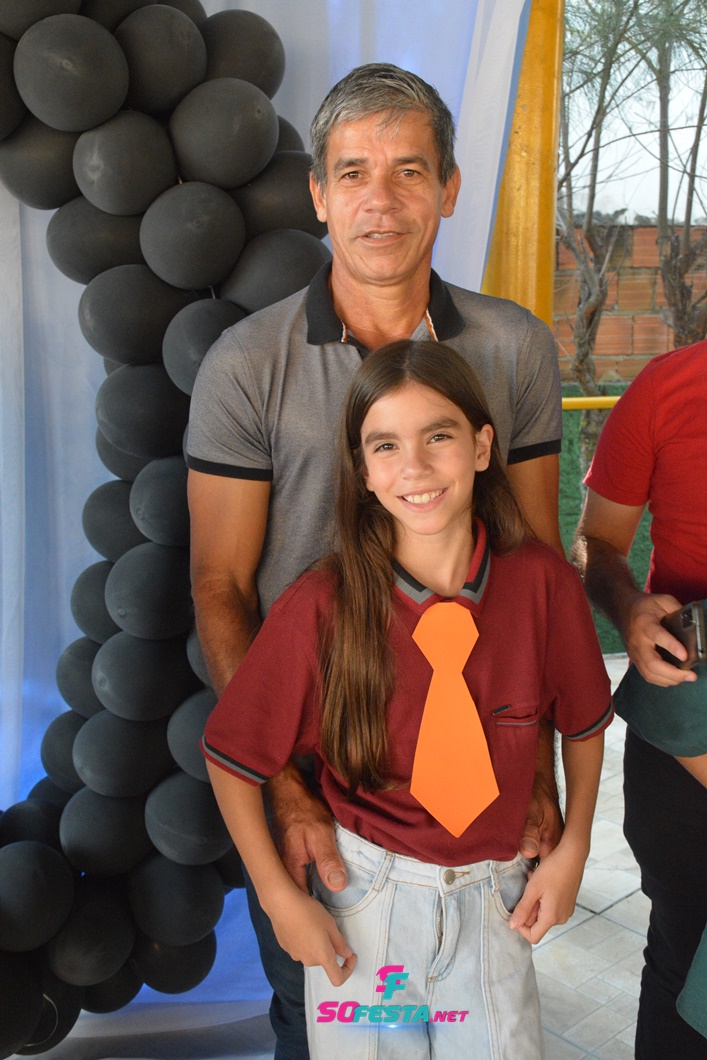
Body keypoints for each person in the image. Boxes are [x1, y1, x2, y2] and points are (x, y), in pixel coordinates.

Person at [186, 63, 565, 1058]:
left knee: (477, 1019)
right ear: (317, 194)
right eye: (352, 172)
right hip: (320, 768)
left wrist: (537, 770)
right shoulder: (246, 363)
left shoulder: (513, 348)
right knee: (337, 1029)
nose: (380, 201)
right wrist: (286, 789)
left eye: (409, 171)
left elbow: (531, 568)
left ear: (449, 188)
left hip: (475, 754)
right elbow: (220, 585)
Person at [202, 341, 612, 1060]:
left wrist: (573, 846)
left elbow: (582, 725)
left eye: (438, 436)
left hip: (496, 904)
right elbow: (230, 756)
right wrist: (277, 896)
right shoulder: (323, 604)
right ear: (363, 473)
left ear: (481, 447)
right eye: (385, 445)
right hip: (367, 905)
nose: (414, 467)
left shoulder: (542, 585)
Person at [572, 339, 707, 1058]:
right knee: (684, 960)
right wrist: (628, 609)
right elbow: (596, 543)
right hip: (690, 726)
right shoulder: (665, 389)